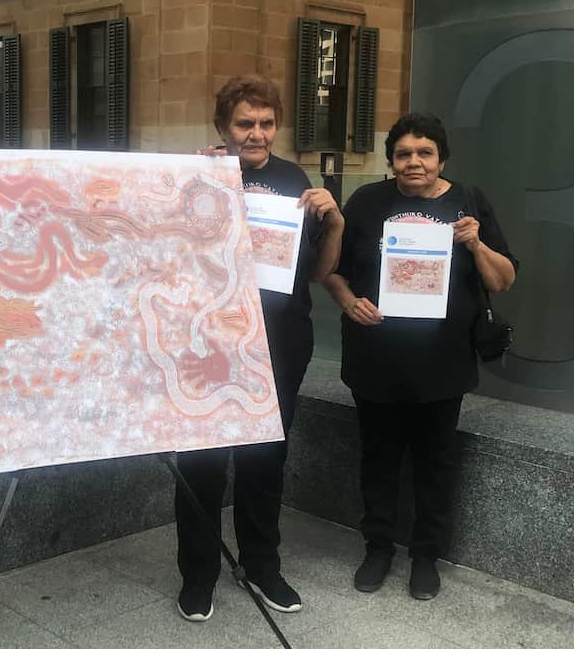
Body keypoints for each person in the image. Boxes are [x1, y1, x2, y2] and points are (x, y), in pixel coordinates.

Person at [324, 112, 516, 600]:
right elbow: (333, 272)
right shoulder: (368, 202)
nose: (414, 162)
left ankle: (425, 555)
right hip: (377, 360)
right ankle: (378, 548)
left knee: (435, 464)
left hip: (442, 363)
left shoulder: (468, 202)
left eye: (424, 153)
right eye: (404, 153)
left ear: (441, 158)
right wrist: (348, 302)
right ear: (391, 161)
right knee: (378, 460)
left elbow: (503, 280)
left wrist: (475, 245)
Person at [174, 75, 343, 621]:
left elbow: (318, 272)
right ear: (223, 128)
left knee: (265, 456)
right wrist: (191, 186)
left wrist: (334, 222)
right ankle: (198, 575)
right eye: (245, 123)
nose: (258, 133)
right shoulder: (199, 176)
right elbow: (169, 259)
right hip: (209, 340)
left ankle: (262, 566)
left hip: (280, 342)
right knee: (201, 460)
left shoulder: (295, 179)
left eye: (267, 122)